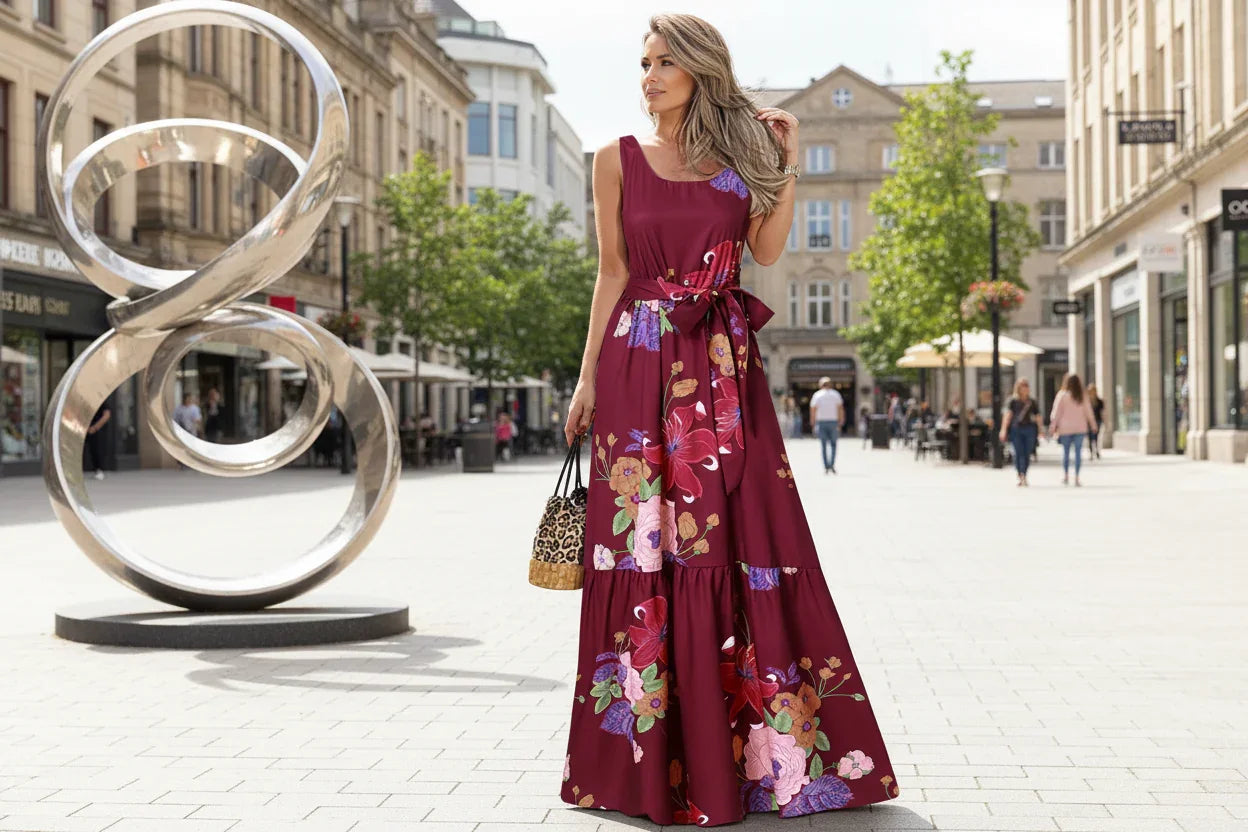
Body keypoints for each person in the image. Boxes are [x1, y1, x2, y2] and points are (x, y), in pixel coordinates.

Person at [557, 16, 898, 824]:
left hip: (720, 370)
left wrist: (785, 164)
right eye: (644, 63)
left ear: (700, 72)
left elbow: (769, 253)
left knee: (743, 542)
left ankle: (754, 765)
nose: (648, 76)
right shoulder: (614, 160)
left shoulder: (740, 165)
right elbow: (611, 272)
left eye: (665, 62)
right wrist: (587, 379)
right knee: (642, 550)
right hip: (637, 368)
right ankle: (639, 769)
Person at [1049, 373, 1098, 487]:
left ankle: (1066, 475)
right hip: (1080, 428)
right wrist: (1093, 425)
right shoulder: (1082, 396)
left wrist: (1053, 425)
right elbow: (1089, 412)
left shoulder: (1062, 395)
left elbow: (1056, 412)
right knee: (1078, 453)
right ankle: (1076, 477)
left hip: (1065, 428)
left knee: (1066, 453)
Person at [999, 378, 1040, 486]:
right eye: (1023, 386)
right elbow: (1007, 416)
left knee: (1027, 453)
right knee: (1018, 452)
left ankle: (1024, 474)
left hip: (1030, 429)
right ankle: (1020, 474)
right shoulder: (1012, 401)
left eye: (1027, 385)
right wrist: (1003, 430)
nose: (1025, 388)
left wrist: (1040, 430)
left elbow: (1037, 416)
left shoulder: (1032, 401)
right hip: (1016, 429)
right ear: (1018, 388)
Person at [809, 375, 844, 474]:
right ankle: (832, 464)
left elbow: (813, 409)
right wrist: (841, 421)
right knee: (833, 444)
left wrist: (812, 421)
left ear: (821, 385)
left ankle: (826, 466)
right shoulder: (836, 394)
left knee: (823, 445)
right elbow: (840, 409)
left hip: (821, 422)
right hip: (833, 422)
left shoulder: (817, 395)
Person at [84, 398, 111, 481]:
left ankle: (99, 470)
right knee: (86, 449)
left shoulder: (101, 401)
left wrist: (95, 427)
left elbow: (106, 415)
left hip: (96, 429)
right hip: (85, 428)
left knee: (96, 449)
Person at [1087, 383, 1104, 460]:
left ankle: (1097, 451)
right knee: (1090, 437)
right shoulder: (1087, 401)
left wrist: (1105, 421)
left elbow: (1102, 412)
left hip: (1098, 421)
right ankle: (1091, 453)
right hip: (1089, 422)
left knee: (1096, 437)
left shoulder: (1099, 401)